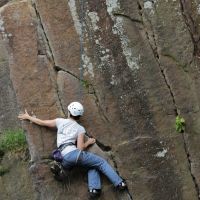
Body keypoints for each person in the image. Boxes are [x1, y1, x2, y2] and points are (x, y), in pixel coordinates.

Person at [18, 102, 127, 198]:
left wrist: (29, 117)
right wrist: (88, 142)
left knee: (91, 165)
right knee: (101, 162)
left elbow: (42, 122)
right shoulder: (80, 128)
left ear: (69, 112)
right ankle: (119, 183)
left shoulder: (60, 121)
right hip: (74, 154)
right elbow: (80, 148)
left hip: (63, 157)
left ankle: (94, 190)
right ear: (79, 116)